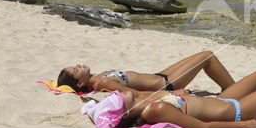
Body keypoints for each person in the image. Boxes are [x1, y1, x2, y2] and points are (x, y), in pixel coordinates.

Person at [103, 68, 256, 128]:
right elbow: (202, 127)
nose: (118, 92)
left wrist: (177, 95)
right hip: (235, 111)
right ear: (124, 110)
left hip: (223, 100)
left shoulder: (145, 102)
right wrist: (244, 124)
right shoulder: (155, 112)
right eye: (117, 97)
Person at [57, 50, 237, 96]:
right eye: (76, 70)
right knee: (208, 56)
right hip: (167, 84)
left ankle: (230, 88)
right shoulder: (102, 83)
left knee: (205, 54)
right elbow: (136, 94)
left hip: (160, 75)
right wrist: (171, 93)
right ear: (80, 83)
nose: (79, 65)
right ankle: (235, 90)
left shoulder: (97, 77)